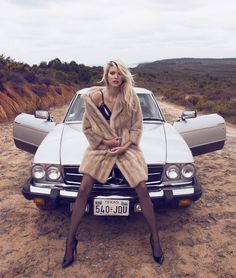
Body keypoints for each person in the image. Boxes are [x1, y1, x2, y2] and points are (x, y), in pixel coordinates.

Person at [62, 60, 164, 268]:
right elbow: (87, 128)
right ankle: (70, 242)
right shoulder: (93, 99)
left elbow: (137, 127)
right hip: (100, 148)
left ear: (123, 76)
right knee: (82, 190)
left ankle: (155, 239)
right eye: (112, 73)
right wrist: (104, 142)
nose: (115, 77)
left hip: (126, 148)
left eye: (118, 73)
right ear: (106, 76)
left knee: (142, 188)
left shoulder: (130, 97)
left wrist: (125, 145)